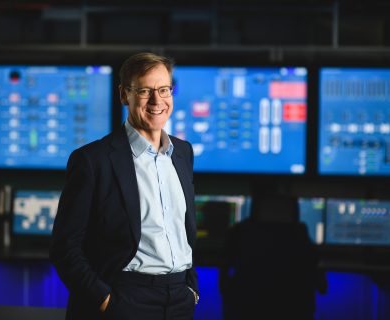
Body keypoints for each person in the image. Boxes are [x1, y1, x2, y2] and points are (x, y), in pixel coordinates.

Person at [50, 52, 199, 320]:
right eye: (144, 91)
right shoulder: (92, 160)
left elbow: (181, 231)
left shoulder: (183, 153)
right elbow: (64, 247)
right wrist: (104, 300)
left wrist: (191, 288)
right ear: (123, 95)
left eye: (164, 89)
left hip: (179, 299)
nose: (157, 101)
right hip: (125, 298)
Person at [219, 188, 327, 320]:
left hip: (247, 311)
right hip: (293, 311)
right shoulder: (299, 235)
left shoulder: (240, 233)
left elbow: (224, 276)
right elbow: (322, 286)